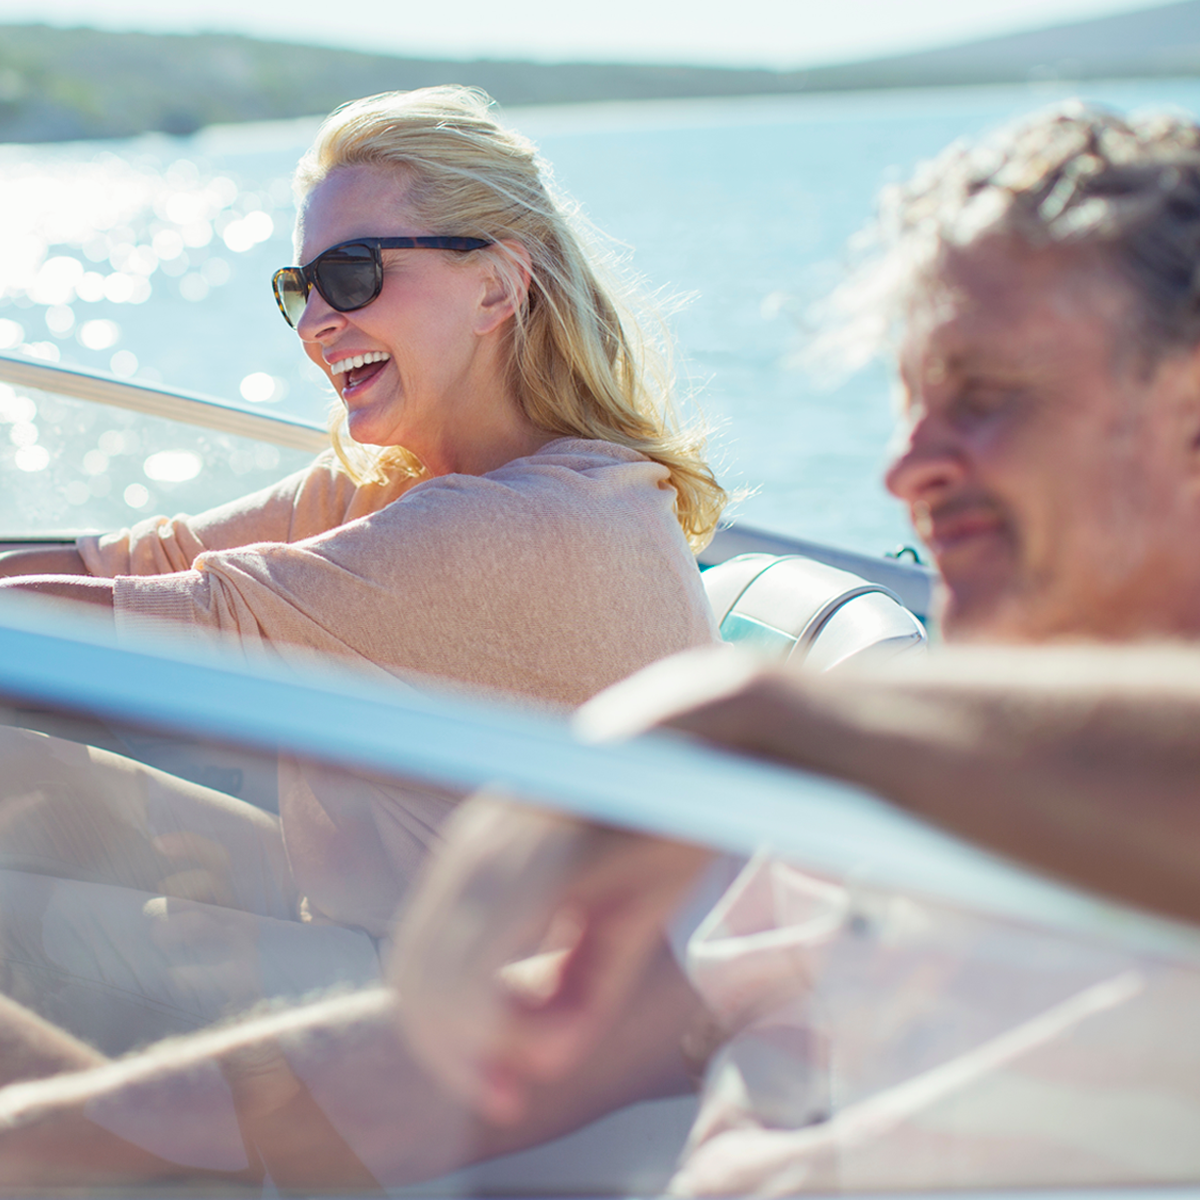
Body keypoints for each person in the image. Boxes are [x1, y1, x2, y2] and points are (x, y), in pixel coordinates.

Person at [5, 98, 1200, 1191]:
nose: (903, 471)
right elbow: (509, 1048)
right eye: (914, 402)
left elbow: (153, 621)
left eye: (988, 395)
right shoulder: (879, 832)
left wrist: (765, 718)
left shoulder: (529, 525)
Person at [0, 85, 723, 1054]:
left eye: (352, 274)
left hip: (493, 1034)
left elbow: (118, 627)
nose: (312, 324)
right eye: (299, 289)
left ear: (496, 286)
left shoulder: (523, 525)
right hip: (384, 928)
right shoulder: (401, 483)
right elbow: (129, 560)